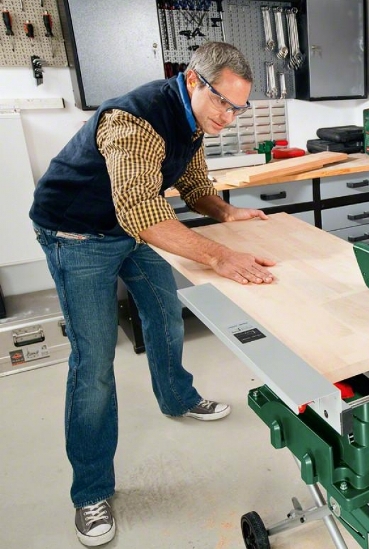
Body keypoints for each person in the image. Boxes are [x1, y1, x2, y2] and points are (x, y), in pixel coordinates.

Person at [29, 42, 276, 547]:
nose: (229, 117)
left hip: (127, 229)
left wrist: (227, 212)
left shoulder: (193, 119)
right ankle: (91, 492)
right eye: (224, 103)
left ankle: (177, 397)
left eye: (239, 108)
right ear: (194, 80)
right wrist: (220, 256)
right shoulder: (134, 121)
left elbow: (193, 182)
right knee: (93, 364)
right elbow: (141, 212)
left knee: (165, 314)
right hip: (76, 234)